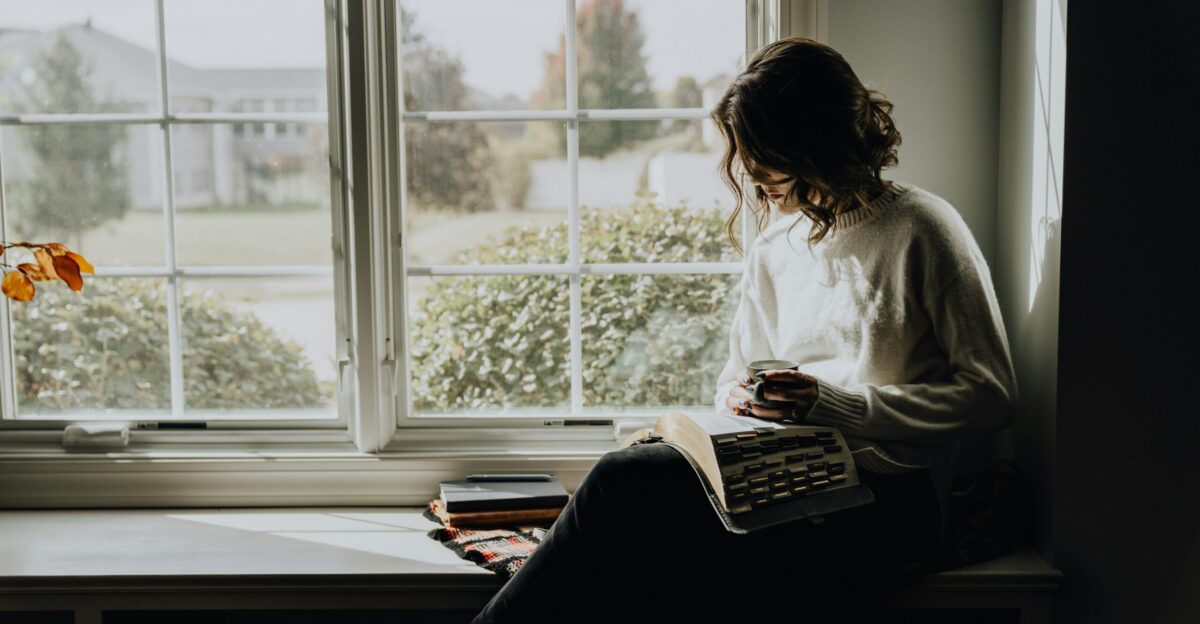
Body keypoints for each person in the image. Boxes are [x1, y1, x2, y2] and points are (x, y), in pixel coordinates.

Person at [471, 36, 1017, 624]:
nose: (752, 175)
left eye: (765, 155)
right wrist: (742, 398)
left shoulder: (924, 230)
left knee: (625, 496)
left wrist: (837, 406)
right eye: (745, 155)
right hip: (780, 480)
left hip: (888, 497)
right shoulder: (775, 247)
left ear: (816, 142)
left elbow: (991, 397)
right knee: (629, 503)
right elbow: (734, 376)